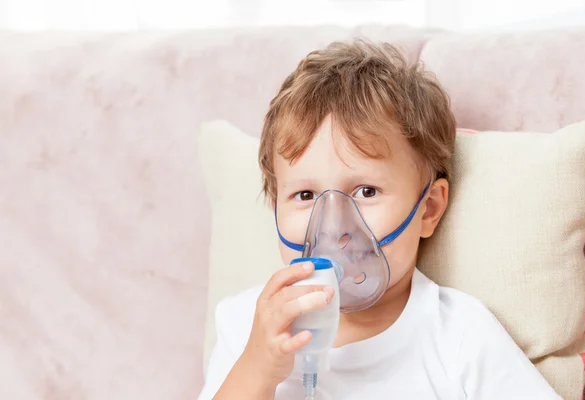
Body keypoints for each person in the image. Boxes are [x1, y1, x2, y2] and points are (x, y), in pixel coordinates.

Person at [198, 40, 560, 399]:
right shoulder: (248, 324)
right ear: (276, 208)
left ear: (429, 209)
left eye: (366, 191)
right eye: (305, 196)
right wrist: (257, 370)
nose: (334, 228)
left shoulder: (461, 337)